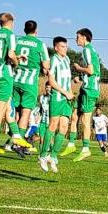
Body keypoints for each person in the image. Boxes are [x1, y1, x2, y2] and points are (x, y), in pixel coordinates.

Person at [0, 12, 31, 154]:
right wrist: (16, 63)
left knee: (8, 107)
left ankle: (16, 136)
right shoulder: (10, 35)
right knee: (1, 107)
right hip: (4, 74)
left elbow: (2, 55)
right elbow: (10, 55)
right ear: (12, 21)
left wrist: (17, 56)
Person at [6, 19, 50, 154]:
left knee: (16, 112)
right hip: (29, 83)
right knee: (26, 113)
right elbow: (46, 65)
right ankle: (17, 143)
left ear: (24, 30)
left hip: (15, 80)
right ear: (36, 30)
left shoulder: (18, 41)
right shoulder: (40, 44)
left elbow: (10, 56)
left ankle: (13, 138)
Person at [61, 28, 101, 162]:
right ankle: (71, 144)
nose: (76, 39)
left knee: (85, 119)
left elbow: (91, 70)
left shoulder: (87, 50)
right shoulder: (90, 50)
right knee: (74, 115)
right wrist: (81, 77)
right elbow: (91, 72)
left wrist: (79, 69)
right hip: (86, 87)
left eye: (77, 36)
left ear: (84, 37)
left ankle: (86, 149)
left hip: (90, 90)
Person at [39, 36, 74, 174]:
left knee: (64, 127)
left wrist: (70, 92)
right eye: (62, 47)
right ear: (56, 47)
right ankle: (42, 155)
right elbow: (51, 82)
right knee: (53, 125)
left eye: (66, 46)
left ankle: (53, 156)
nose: (65, 49)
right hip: (58, 97)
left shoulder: (67, 59)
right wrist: (65, 92)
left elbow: (68, 79)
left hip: (66, 99)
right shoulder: (53, 60)